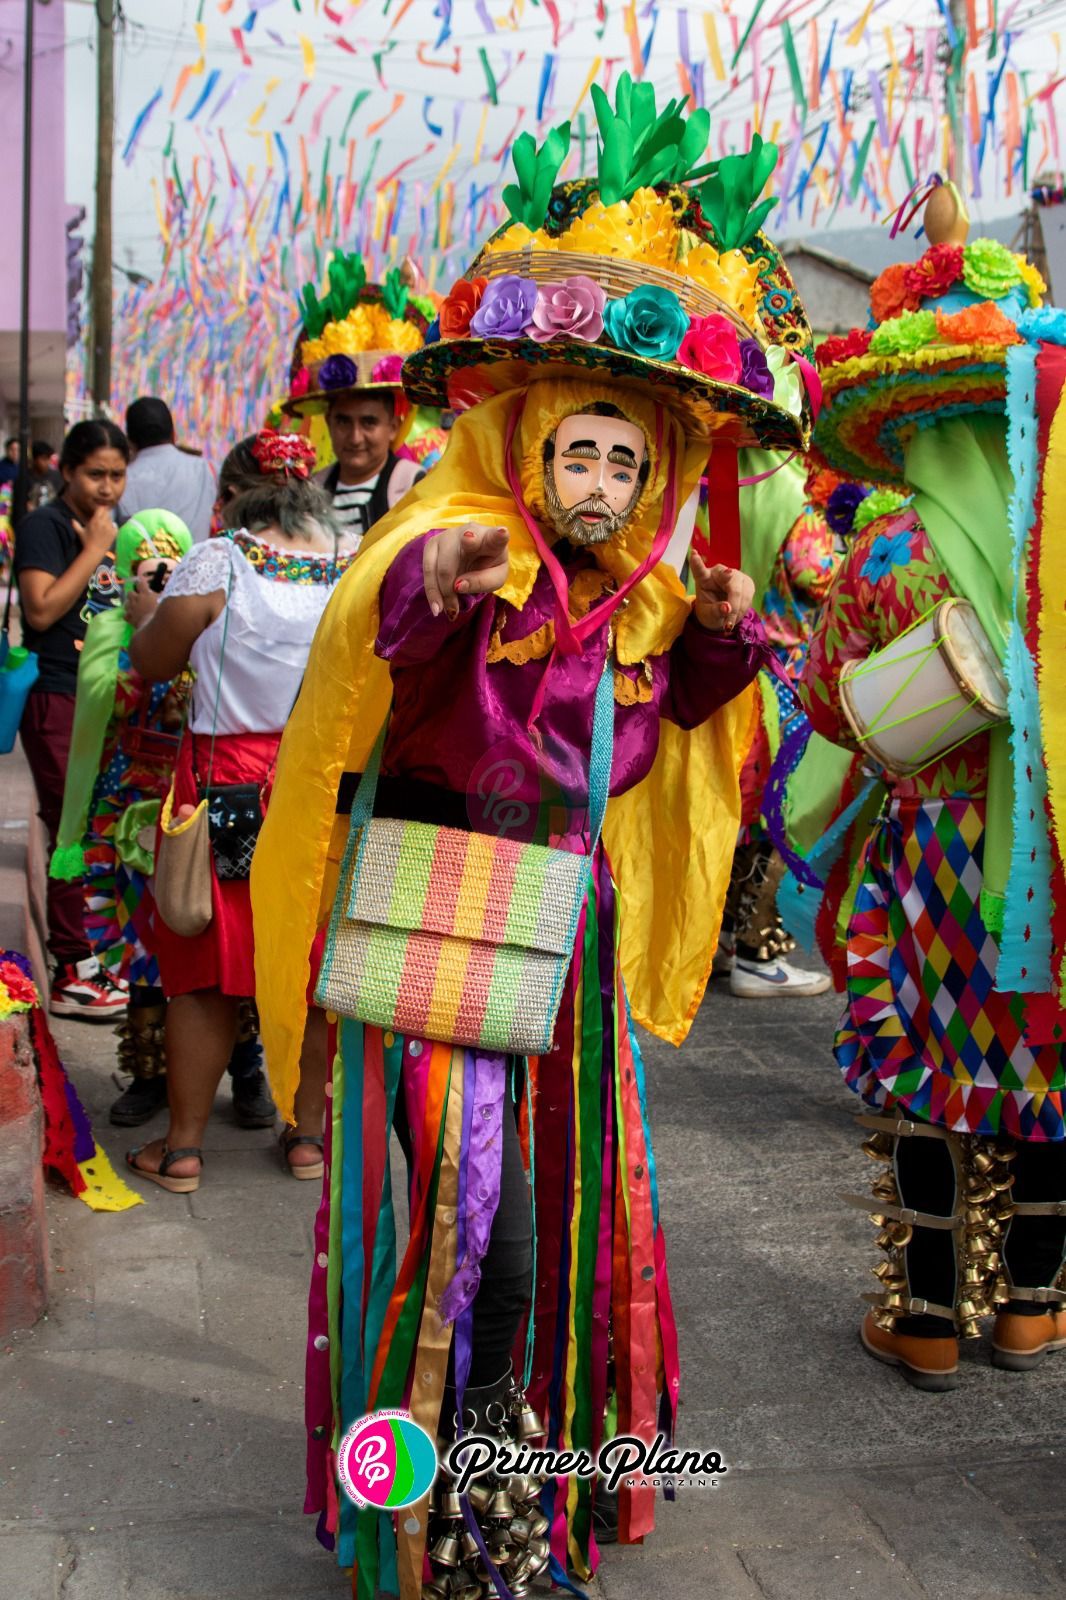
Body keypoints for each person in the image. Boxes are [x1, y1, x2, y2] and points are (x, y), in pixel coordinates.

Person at [253, 79, 819, 1600]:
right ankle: (433, 1519)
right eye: (581, 456)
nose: (601, 486)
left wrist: (716, 635)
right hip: (441, 928)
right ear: (523, 445)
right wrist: (441, 572)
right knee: (472, 1230)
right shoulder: (468, 561)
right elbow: (396, 627)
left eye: (628, 464)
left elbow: (656, 727)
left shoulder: (633, 606)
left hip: (561, 949)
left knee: (559, 1227)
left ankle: (514, 1510)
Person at [800, 182, 1066, 1391]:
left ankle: (921, 1312)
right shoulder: (1053, 543)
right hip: (1046, 851)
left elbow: (825, 703)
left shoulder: (884, 549)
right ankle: (1030, 1306)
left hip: (928, 853)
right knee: (1046, 1058)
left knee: (922, 1061)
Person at [122, 430, 353, 1191]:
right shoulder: (348, 562)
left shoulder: (217, 561)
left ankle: (183, 1150)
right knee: (309, 966)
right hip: (314, 785)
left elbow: (154, 661)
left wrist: (146, 610)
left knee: (205, 970)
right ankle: (307, 1138)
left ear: (229, 495)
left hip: (224, 781)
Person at [15, 418, 130, 1020]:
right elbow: (39, 611)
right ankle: (71, 970)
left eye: (117, 475)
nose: (107, 487)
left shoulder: (122, 528)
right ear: (66, 471)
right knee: (70, 825)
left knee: (100, 829)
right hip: (58, 692)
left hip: (107, 697)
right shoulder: (47, 526)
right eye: (94, 474)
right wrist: (92, 549)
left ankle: (95, 955)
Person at [280, 253, 432, 547]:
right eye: (343, 421)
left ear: (393, 426)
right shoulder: (309, 491)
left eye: (369, 422)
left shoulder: (414, 486)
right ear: (328, 422)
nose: (355, 436)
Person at [119, 397, 216, 544]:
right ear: (173, 434)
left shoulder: (121, 480)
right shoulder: (207, 470)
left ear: (130, 441)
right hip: (199, 558)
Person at [26, 441, 63, 513]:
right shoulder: (25, 478)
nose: (47, 462)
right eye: (43, 459)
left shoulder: (56, 476)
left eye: (48, 458)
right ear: (34, 459)